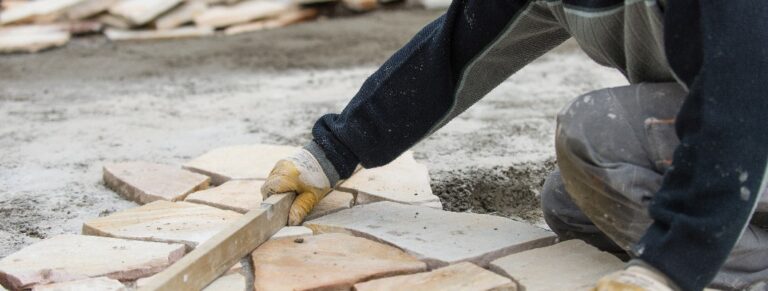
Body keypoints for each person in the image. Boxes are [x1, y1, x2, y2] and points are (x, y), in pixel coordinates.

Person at [260, 1, 768, 290]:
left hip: (751, 124)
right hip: (730, 133)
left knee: (595, 132)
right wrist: (333, 153)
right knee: (571, 202)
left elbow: (740, 107)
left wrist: (671, 267)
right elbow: (452, 55)